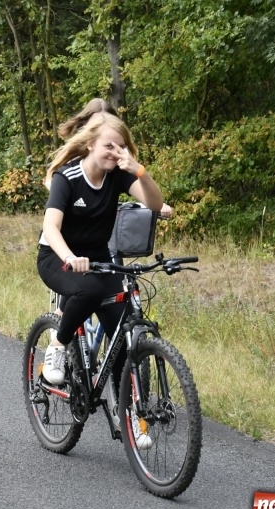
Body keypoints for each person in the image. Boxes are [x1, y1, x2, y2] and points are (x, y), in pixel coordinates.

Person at [37, 113, 163, 386]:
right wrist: (70, 257)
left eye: (121, 148)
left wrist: (139, 170)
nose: (115, 153)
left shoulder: (117, 176)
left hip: (98, 258)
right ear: (91, 143)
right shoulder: (67, 176)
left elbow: (154, 204)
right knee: (90, 290)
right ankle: (58, 345)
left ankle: (126, 418)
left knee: (121, 333)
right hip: (57, 256)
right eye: (109, 146)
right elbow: (51, 227)